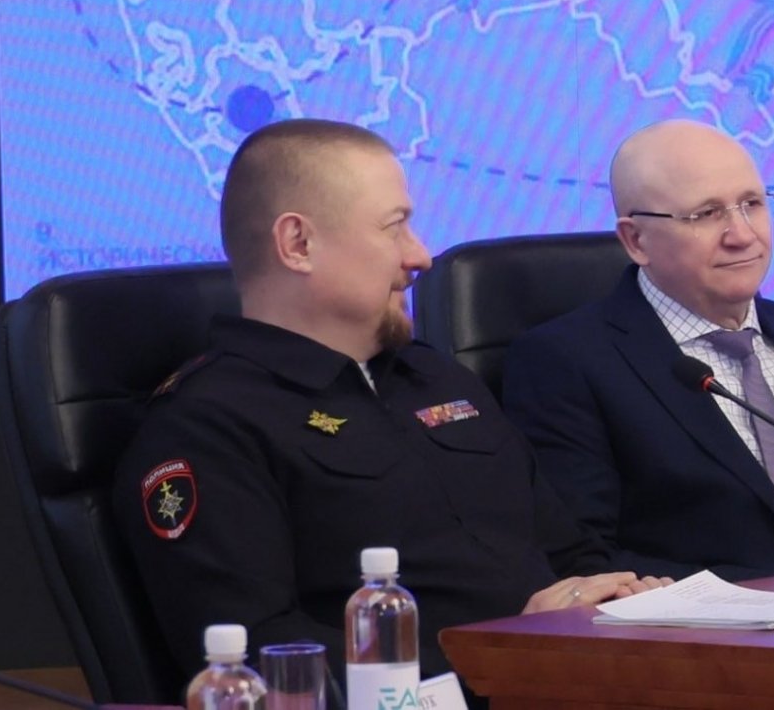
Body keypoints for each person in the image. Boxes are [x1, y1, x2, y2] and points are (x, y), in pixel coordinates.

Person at [112, 119, 661, 694]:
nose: (420, 256)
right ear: (298, 244)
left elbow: (569, 553)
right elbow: (256, 656)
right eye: (394, 227)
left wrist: (628, 602)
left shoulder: (438, 378)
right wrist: (501, 657)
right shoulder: (208, 426)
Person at [503, 119, 774, 582]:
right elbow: (585, 558)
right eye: (707, 214)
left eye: (752, 204)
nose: (742, 235)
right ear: (636, 240)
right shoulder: (566, 362)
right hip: (728, 622)